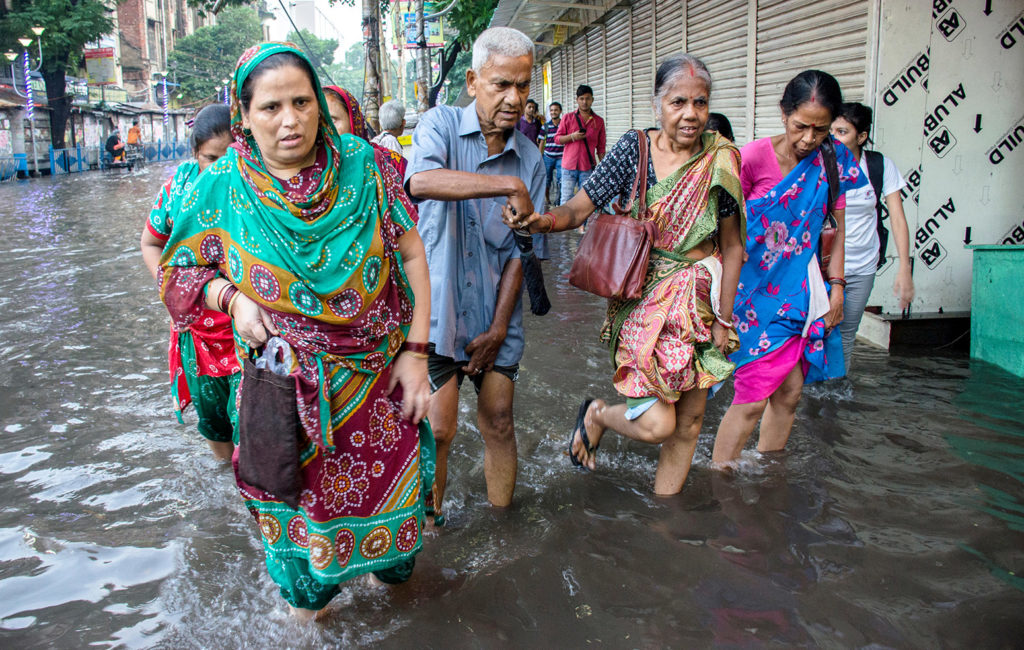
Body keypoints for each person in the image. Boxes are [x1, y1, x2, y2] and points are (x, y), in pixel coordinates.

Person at [158, 42, 435, 619]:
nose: (291, 120)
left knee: (398, 560)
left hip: (377, 383)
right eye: (271, 107)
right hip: (282, 392)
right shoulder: (224, 183)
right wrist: (231, 299)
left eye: (303, 102)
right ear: (244, 115)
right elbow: (179, 270)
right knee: (302, 567)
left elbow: (411, 256)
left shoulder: (364, 165)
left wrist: (416, 354)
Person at [506, 54, 745, 494]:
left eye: (700, 102)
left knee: (689, 424)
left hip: (701, 302)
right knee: (658, 423)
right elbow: (582, 206)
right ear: (657, 104)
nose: (691, 114)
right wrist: (543, 222)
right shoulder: (634, 149)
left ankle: (664, 520)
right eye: (678, 102)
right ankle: (598, 414)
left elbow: (732, 246)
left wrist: (724, 320)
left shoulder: (721, 159)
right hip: (641, 297)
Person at [405, 26, 545, 522]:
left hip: (494, 315)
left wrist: (499, 328)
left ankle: (504, 531)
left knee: (500, 422)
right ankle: (430, 531)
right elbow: (420, 181)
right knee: (438, 432)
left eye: (523, 87)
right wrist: (503, 182)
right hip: (438, 315)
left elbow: (520, 253)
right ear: (472, 81)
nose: (514, 99)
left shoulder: (532, 160)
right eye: (501, 85)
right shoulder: (439, 125)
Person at [713, 70, 867, 466]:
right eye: (801, 126)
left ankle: (767, 470)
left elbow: (836, 229)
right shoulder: (749, 160)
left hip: (799, 293)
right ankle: (721, 476)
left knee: (790, 391)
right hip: (748, 298)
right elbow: (720, 231)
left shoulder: (833, 160)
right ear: (783, 114)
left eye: (821, 129)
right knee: (751, 398)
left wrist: (837, 287)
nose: (808, 139)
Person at [141, 103, 237, 462]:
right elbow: (151, 242)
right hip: (197, 331)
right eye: (212, 159)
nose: (222, 170)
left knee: (253, 422)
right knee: (213, 421)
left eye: (230, 159)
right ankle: (223, 489)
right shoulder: (177, 189)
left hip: (250, 327)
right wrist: (172, 289)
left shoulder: (255, 186)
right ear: (196, 152)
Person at [830, 102, 915, 370]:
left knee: (846, 334)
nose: (834, 138)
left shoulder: (879, 167)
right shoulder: (821, 165)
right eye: (831, 131)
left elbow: (898, 220)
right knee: (817, 331)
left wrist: (904, 268)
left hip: (863, 265)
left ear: (862, 136)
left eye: (842, 132)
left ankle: (834, 393)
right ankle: (806, 392)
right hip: (825, 267)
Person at [324, 85, 409, 179]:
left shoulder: (387, 162)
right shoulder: (312, 174)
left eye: (332, 120)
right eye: (317, 122)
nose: (323, 129)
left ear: (354, 121)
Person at [555, 84, 606, 211]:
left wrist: (604, 168)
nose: (584, 102)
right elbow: (557, 139)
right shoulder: (568, 117)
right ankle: (565, 228)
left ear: (592, 100)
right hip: (568, 167)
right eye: (582, 98)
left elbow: (601, 147)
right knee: (566, 199)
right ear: (577, 100)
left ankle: (583, 227)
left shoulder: (598, 121)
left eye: (588, 98)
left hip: (587, 167)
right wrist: (572, 137)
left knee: (586, 201)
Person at [538, 101, 564, 206]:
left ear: (560, 111)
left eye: (556, 110)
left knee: (561, 180)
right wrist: (540, 157)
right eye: (552, 110)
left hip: (561, 157)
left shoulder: (564, 125)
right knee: (547, 180)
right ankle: (547, 200)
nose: (553, 112)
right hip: (548, 157)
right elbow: (541, 142)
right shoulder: (546, 126)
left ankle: (558, 201)